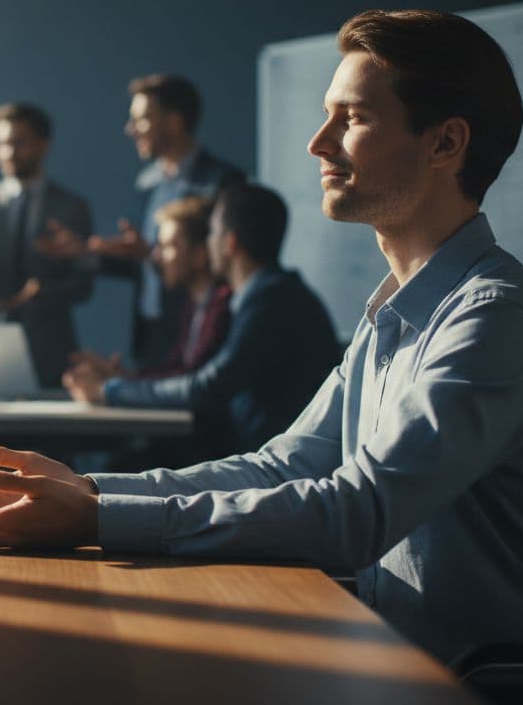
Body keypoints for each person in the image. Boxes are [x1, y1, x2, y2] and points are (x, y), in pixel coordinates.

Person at [0, 9, 523, 664]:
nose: (318, 142)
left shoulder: (492, 320)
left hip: (486, 679)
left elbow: (354, 512)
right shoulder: (396, 311)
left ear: (445, 144)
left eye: (353, 118)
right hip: (393, 653)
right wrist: (94, 494)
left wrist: (95, 519)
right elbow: (284, 464)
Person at [64, 183, 337, 459]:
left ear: (230, 243)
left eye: (213, 234)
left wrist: (112, 390)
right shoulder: (271, 294)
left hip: (278, 463)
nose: (208, 244)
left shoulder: (270, 301)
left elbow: (206, 387)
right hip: (269, 455)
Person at [89, 75, 245, 370]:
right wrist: (90, 253)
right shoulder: (147, 183)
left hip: (199, 329)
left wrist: (149, 253)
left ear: (174, 122)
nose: (130, 129)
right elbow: (148, 258)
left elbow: (222, 262)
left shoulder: (221, 182)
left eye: (141, 120)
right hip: (150, 333)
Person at [0, 103, 94, 387]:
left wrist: (41, 294)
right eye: (1, 144)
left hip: (51, 347)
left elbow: (84, 284)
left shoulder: (70, 207)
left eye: (19, 143)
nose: (9, 153)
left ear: (43, 145)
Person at [65, 196, 230, 393]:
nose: (156, 256)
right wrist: (121, 376)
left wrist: (112, 389)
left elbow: (191, 382)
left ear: (201, 255)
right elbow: (175, 371)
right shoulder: (194, 306)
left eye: (168, 246)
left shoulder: (222, 307)